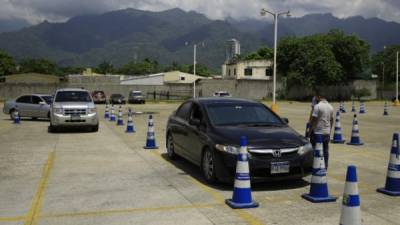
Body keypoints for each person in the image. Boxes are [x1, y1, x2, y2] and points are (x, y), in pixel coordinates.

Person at [308, 92, 334, 170]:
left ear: (319, 97)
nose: (315, 99)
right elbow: (331, 120)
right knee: (325, 150)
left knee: (315, 149)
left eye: (316, 97)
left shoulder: (317, 106)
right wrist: (330, 130)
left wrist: (309, 131)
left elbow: (314, 120)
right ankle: (325, 166)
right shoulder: (330, 107)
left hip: (318, 132)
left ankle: (315, 165)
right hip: (326, 132)